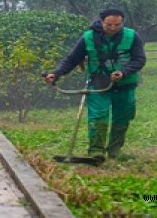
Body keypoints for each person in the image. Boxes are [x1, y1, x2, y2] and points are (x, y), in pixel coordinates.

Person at [43, 9, 146, 162]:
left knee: (123, 117)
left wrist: (123, 72)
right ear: (101, 22)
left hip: (125, 84)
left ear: (122, 22)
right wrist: (56, 74)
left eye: (117, 25)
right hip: (98, 84)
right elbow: (72, 59)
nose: (113, 28)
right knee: (98, 116)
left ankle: (114, 150)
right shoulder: (88, 37)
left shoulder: (132, 36)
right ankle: (96, 151)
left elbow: (139, 59)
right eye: (109, 24)